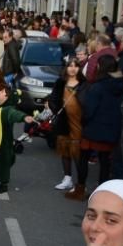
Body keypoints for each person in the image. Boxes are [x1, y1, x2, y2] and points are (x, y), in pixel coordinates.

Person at [67, 54, 123, 201]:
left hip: (93, 129)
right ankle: (102, 192)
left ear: (100, 67)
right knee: (105, 162)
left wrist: (84, 122)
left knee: (83, 158)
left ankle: (80, 189)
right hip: (111, 128)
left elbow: (89, 110)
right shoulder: (121, 86)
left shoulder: (97, 87)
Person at [0, 88, 35, 194]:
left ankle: (3, 184)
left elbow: (14, 114)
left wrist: (24, 117)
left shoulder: (7, 110)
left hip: (3, 142)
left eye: (2, 92)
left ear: (7, 97)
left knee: (3, 162)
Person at [48, 58, 86, 193]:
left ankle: (81, 183)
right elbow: (53, 99)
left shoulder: (84, 84)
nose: (73, 68)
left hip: (79, 121)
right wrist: (57, 110)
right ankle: (67, 178)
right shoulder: (60, 82)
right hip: (64, 120)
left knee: (78, 153)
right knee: (65, 149)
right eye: (70, 65)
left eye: (76, 66)